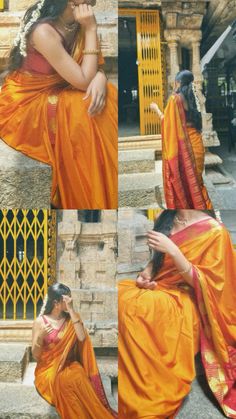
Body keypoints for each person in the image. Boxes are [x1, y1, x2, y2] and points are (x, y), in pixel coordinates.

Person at [118, 210, 236, 419]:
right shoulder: (167, 217)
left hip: (191, 295)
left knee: (144, 309)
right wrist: (146, 274)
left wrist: (173, 250)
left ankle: (149, 390)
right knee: (122, 294)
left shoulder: (215, 232)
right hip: (160, 285)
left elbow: (210, 283)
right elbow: (157, 263)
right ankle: (136, 379)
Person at [0, 0, 117, 209]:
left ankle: (105, 184)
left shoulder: (82, 21)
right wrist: (91, 29)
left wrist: (100, 78)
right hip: (26, 103)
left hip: (62, 89)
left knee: (108, 97)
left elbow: (93, 70)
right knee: (84, 109)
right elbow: (82, 81)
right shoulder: (44, 31)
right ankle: (90, 195)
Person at [32, 283, 117, 418]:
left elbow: (82, 337)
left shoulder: (71, 318)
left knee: (78, 375)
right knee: (64, 383)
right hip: (48, 369)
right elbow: (36, 356)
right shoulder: (40, 322)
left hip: (69, 364)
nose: (71, 301)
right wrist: (40, 337)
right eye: (67, 299)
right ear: (56, 303)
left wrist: (71, 310)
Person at [150, 70, 213, 210]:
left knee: (185, 185)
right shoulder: (193, 96)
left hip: (186, 146)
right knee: (197, 184)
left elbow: (167, 123)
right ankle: (204, 212)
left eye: (174, 82)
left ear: (177, 82)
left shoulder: (175, 99)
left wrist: (156, 109)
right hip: (196, 143)